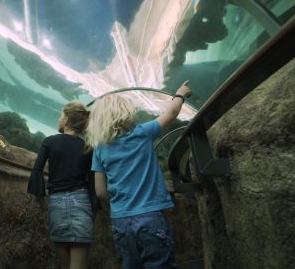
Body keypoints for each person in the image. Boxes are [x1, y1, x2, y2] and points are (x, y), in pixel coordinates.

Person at [86, 81, 193, 269]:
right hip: (150, 217)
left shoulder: (99, 149)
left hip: (120, 221)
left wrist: (118, 207)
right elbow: (171, 113)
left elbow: (100, 191)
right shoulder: (142, 133)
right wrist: (180, 94)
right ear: (126, 114)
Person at [27, 102, 99, 269]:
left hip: (56, 204)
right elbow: (92, 182)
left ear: (66, 119)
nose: (59, 119)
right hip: (81, 204)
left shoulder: (49, 142)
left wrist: (43, 205)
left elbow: (37, 171)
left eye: (61, 116)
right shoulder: (88, 148)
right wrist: (93, 211)